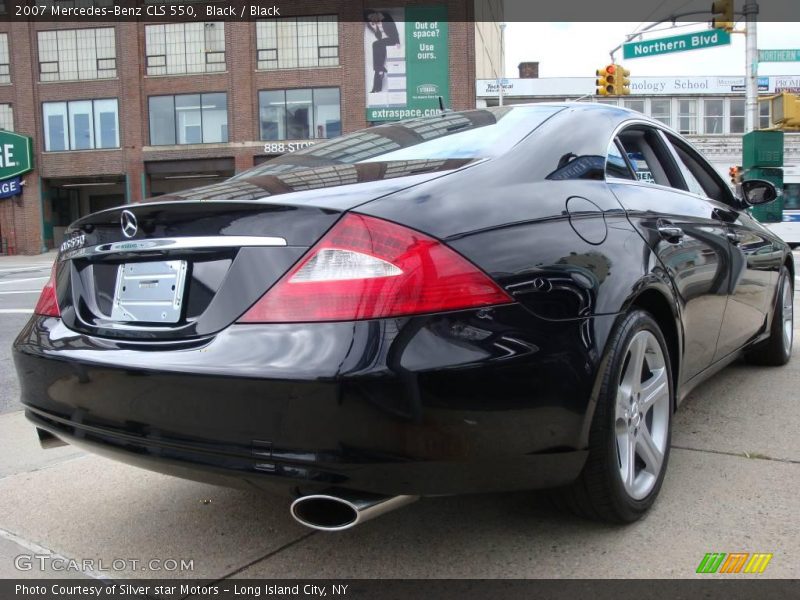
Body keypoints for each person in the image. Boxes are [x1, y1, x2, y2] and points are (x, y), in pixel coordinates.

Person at [365, 11, 400, 93]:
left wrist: (398, 42)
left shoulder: (386, 17)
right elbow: (379, 38)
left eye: (372, 17)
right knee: (378, 67)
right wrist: (375, 28)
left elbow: (394, 29)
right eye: (371, 19)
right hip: (383, 44)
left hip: (392, 40)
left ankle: (380, 69)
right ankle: (376, 88)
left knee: (375, 44)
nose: (372, 19)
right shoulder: (374, 25)